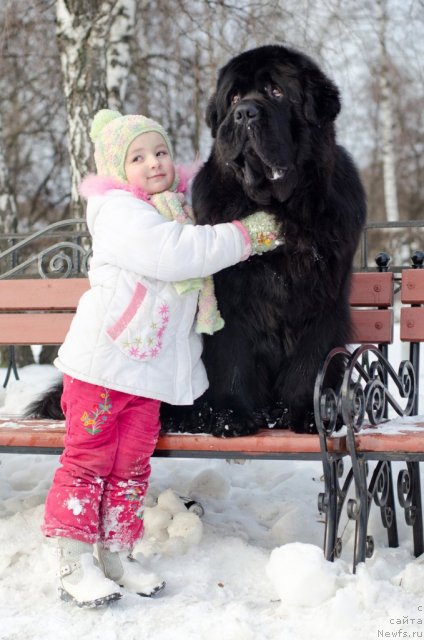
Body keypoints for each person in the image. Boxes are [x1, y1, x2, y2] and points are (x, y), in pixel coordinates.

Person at [42, 109, 281, 608]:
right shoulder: (120, 213)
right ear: (116, 170)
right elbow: (175, 254)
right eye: (137, 157)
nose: (154, 163)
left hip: (146, 376)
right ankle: (73, 562)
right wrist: (245, 234)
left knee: (130, 469)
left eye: (161, 152)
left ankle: (116, 554)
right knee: (88, 462)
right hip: (103, 367)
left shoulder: (174, 209)